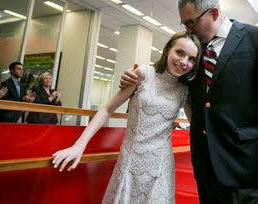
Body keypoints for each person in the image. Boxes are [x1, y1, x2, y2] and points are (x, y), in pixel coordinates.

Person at [121, 0, 258, 203]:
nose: (188, 29)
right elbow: (169, 77)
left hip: (242, 164)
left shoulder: (257, 39)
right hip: (205, 166)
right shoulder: (194, 51)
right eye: (184, 23)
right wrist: (137, 77)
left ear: (215, 13)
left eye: (192, 22)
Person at [52, 32, 201, 204]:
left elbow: (196, 127)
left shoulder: (185, 90)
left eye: (191, 59)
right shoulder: (143, 74)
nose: (184, 62)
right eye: (180, 52)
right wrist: (79, 146)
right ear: (168, 50)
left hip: (161, 166)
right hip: (131, 162)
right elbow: (107, 109)